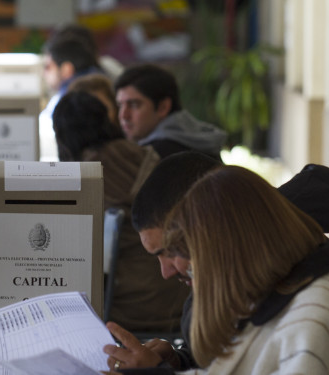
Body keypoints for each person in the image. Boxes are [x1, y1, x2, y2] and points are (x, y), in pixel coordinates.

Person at [104, 159, 329, 374]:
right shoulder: (279, 284)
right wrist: (179, 363)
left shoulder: (312, 315)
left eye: (180, 250)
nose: (173, 269)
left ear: (224, 235)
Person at [53, 91, 190, 333]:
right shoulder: (144, 154)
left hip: (127, 303)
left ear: (63, 136)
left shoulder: (85, 176)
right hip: (177, 294)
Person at [114, 64, 226, 160]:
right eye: (120, 105)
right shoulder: (201, 139)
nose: (123, 115)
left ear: (163, 107)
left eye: (134, 105)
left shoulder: (156, 155)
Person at [39, 32, 101, 161]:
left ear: (67, 69)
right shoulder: (98, 80)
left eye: (48, 67)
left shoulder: (72, 98)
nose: (43, 73)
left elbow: (45, 132)